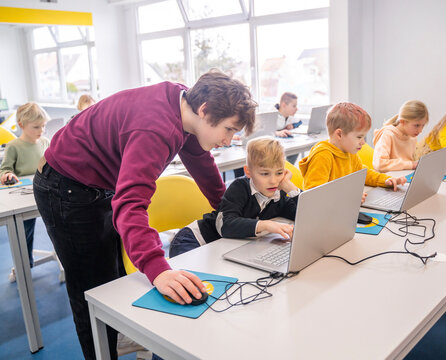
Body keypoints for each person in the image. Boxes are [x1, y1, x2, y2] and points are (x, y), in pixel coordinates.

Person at [33, 70, 257, 360]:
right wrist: (158, 268)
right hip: (65, 186)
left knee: (112, 280)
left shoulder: (185, 105)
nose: (229, 140)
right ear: (205, 111)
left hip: (97, 184)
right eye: (228, 129)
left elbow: (200, 160)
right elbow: (130, 205)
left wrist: (230, 212)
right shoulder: (156, 129)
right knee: (92, 290)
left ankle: (112, 342)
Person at [170, 137, 299, 258]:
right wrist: (265, 225)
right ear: (248, 172)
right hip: (194, 240)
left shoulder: (278, 194)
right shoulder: (239, 187)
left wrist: (291, 188)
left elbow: (306, 215)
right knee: (191, 278)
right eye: (265, 174)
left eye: (279, 173)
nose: (273, 181)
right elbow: (226, 226)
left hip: (224, 248)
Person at [299, 102, 406, 197]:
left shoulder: (349, 151)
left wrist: (385, 180)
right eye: (359, 137)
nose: (363, 142)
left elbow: (363, 174)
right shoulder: (322, 156)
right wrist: (347, 198)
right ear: (339, 134)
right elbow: (313, 195)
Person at [1, 102, 49, 269]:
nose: (41, 131)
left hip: (45, 191)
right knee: (24, 231)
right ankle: (24, 264)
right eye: (36, 127)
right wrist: (7, 175)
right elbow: (5, 169)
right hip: (23, 194)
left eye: (43, 126)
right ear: (21, 125)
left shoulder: (45, 142)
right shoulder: (13, 146)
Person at [372, 100, 429, 172]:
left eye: (423, 125)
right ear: (402, 121)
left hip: (405, 176)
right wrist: (411, 165)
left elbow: (411, 162)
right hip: (390, 179)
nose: (420, 130)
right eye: (417, 125)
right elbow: (380, 164)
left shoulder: (412, 137)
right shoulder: (388, 135)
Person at [274, 92, 302, 165]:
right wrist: (277, 133)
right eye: (294, 106)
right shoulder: (272, 115)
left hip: (284, 142)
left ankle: (288, 168)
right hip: (272, 145)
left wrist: (293, 125)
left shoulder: (290, 116)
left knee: (295, 148)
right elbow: (263, 131)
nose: (296, 109)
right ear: (284, 105)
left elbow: (300, 122)